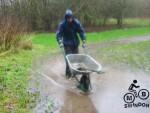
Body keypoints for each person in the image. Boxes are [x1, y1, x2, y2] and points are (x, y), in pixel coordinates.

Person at [56, 9, 86, 78]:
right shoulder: (62, 24)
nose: (69, 19)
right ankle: (68, 74)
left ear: (72, 17)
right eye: (68, 18)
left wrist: (83, 40)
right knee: (69, 59)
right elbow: (58, 34)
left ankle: (75, 73)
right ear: (66, 18)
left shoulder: (76, 23)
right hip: (67, 44)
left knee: (76, 59)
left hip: (75, 44)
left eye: (70, 18)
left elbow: (81, 31)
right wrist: (60, 41)